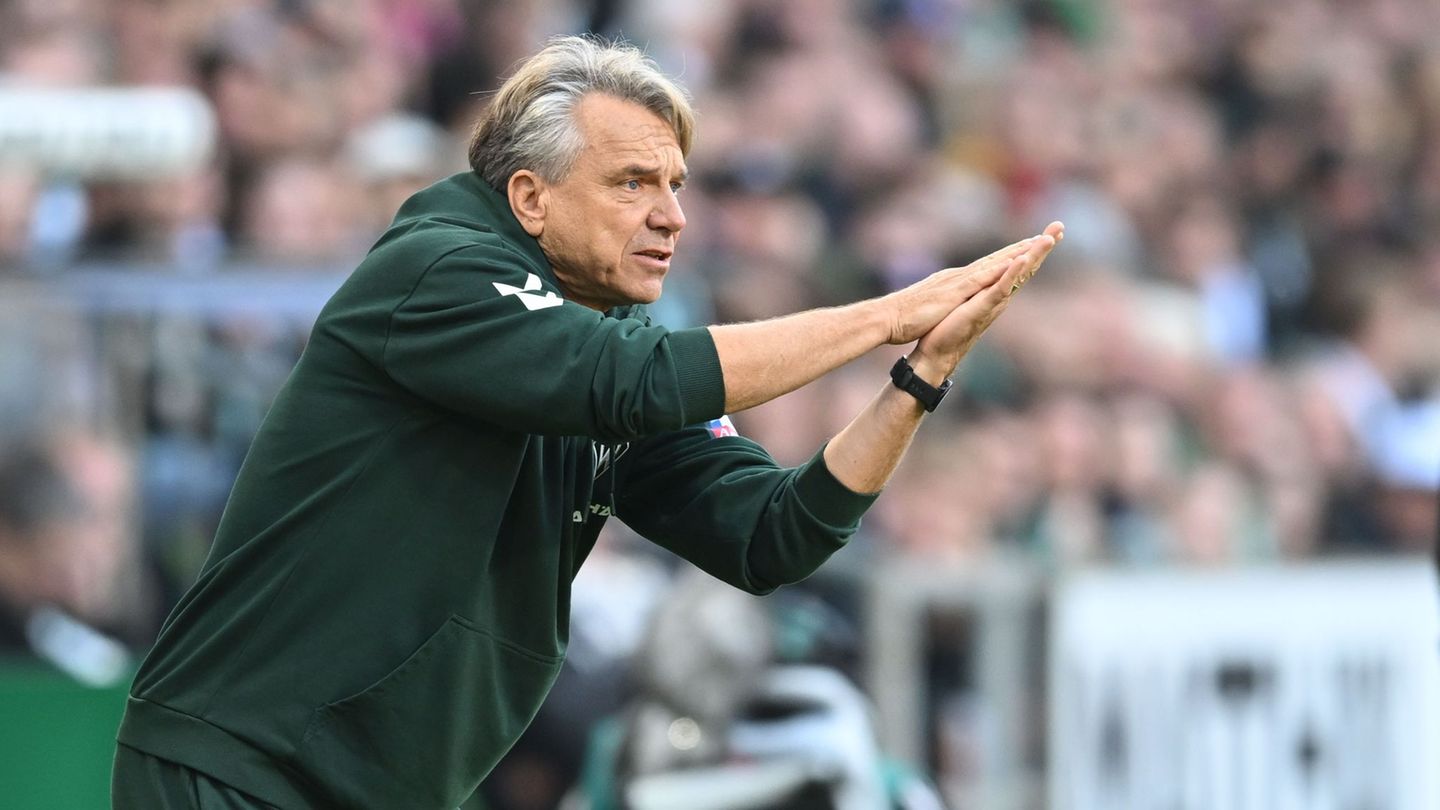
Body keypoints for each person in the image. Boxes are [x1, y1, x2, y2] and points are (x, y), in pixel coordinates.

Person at [111, 35, 1062, 809]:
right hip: (241, 764)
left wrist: (918, 375)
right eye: (633, 183)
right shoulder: (438, 268)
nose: (672, 216)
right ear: (530, 197)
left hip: (375, 785)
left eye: (676, 184)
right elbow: (627, 384)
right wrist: (885, 314)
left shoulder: (615, 340)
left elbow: (775, 535)